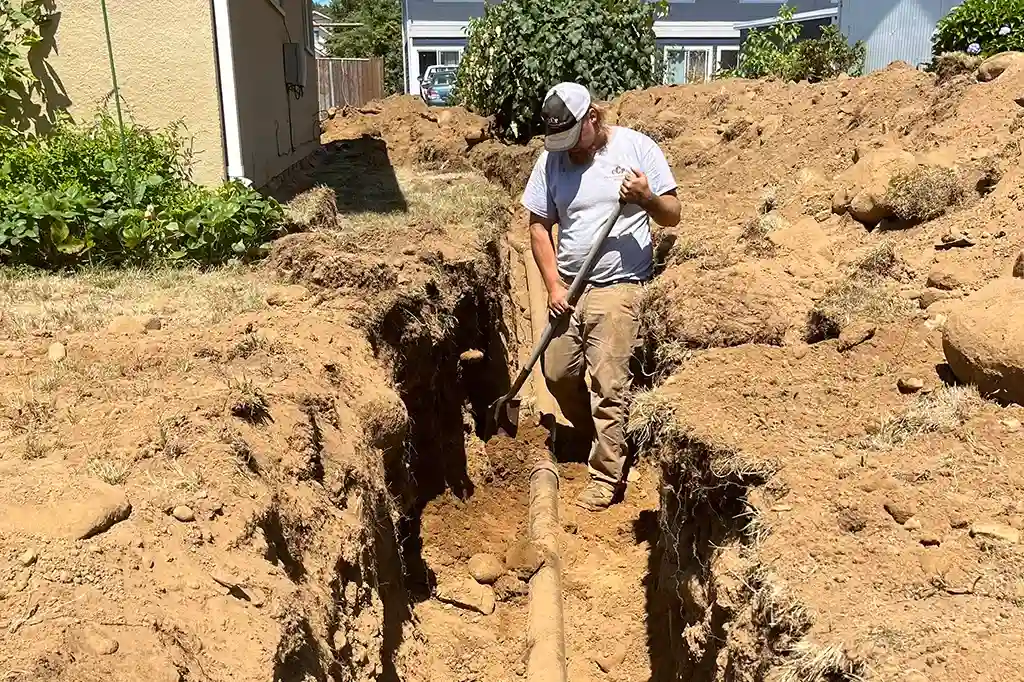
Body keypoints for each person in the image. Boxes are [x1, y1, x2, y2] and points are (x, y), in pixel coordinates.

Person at [520, 81, 681, 512]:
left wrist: (646, 197)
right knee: (556, 372)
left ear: (593, 116)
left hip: (621, 283)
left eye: (574, 139)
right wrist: (553, 285)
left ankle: (606, 473)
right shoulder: (551, 161)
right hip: (570, 285)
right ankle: (598, 434)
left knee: (608, 384)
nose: (568, 150)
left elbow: (673, 214)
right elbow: (538, 226)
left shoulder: (636, 149)